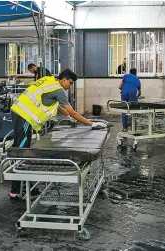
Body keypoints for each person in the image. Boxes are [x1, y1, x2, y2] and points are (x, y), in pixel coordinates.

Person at [9, 68, 108, 199]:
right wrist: (91, 124)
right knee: (20, 151)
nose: (70, 86)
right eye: (70, 83)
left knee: (20, 148)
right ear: (64, 80)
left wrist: (69, 115)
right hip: (24, 116)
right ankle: (16, 191)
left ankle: (23, 186)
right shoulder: (59, 89)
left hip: (19, 112)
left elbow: (59, 107)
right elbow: (72, 112)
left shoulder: (49, 81)